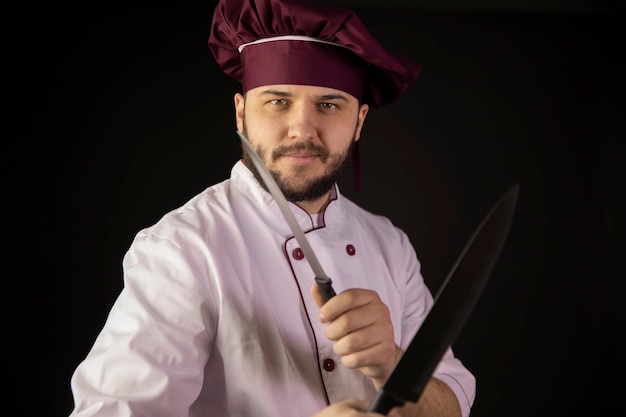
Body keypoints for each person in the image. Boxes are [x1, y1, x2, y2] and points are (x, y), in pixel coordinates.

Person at [67, 0, 476, 416]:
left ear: (359, 123)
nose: (302, 128)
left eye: (329, 104)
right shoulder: (184, 249)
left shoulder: (390, 245)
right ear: (241, 114)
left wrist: (391, 363)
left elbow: (452, 403)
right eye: (278, 101)